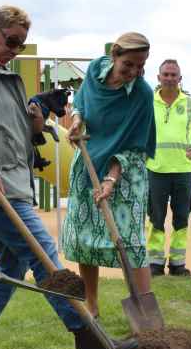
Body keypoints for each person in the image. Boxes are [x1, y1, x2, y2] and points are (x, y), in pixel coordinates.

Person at [0, 5, 136, 349]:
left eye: (21, 43)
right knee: (46, 256)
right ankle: (89, 340)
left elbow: (4, 132)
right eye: (11, 40)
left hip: (8, 180)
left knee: (14, 266)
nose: (15, 49)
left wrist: (33, 123)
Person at [63, 33, 156, 318]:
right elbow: (80, 103)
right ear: (114, 54)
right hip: (89, 160)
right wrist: (77, 120)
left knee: (130, 241)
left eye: (140, 67)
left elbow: (136, 143)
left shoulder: (142, 93)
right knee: (84, 238)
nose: (134, 73)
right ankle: (92, 306)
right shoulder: (93, 70)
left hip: (127, 168)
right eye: (129, 65)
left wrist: (112, 179)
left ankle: (144, 315)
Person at [145, 59, 191, 277]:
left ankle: (177, 264)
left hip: (183, 170)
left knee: (181, 217)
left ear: (180, 79)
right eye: (166, 74)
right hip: (155, 169)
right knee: (155, 218)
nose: (169, 78)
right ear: (158, 77)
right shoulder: (148, 102)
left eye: (174, 75)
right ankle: (155, 263)